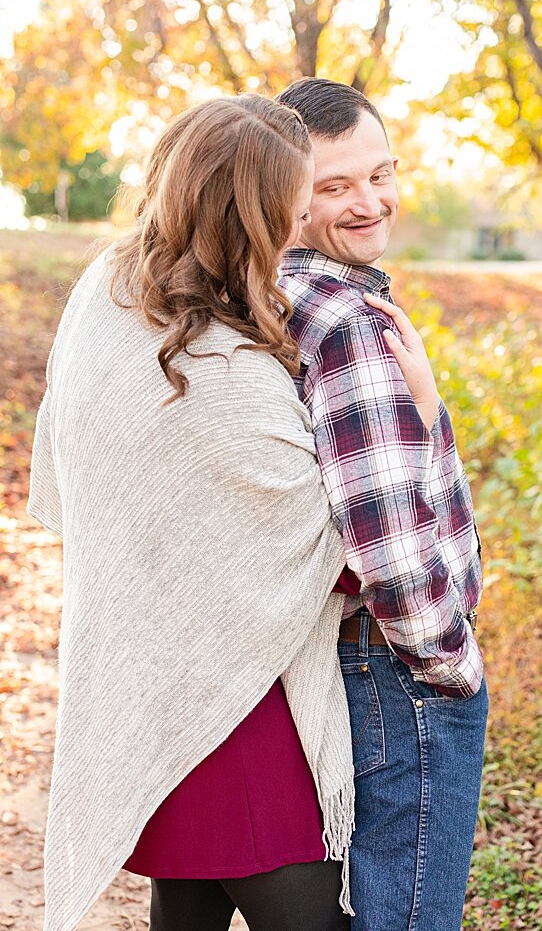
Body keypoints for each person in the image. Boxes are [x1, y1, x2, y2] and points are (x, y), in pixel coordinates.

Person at [27, 94, 443, 931]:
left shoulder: (108, 294)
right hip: (240, 713)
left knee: (185, 907)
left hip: (158, 689)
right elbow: (345, 552)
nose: (298, 240)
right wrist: (424, 416)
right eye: (291, 218)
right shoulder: (227, 372)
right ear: (249, 221)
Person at [274, 78, 488, 931]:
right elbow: (387, 539)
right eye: (335, 187)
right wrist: (449, 663)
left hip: (347, 659)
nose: (371, 202)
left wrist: (429, 413)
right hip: (400, 669)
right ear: (285, 199)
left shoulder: (281, 297)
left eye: (381, 173)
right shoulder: (347, 320)